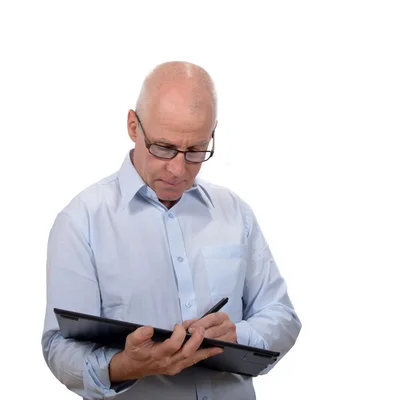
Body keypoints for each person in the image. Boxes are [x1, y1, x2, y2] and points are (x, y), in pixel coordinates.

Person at [41, 61, 302, 400]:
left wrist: (239, 334)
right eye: (163, 148)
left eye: (195, 151)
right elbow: (58, 347)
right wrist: (125, 365)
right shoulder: (81, 221)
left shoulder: (236, 213)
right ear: (133, 126)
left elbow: (282, 315)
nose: (179, 170)